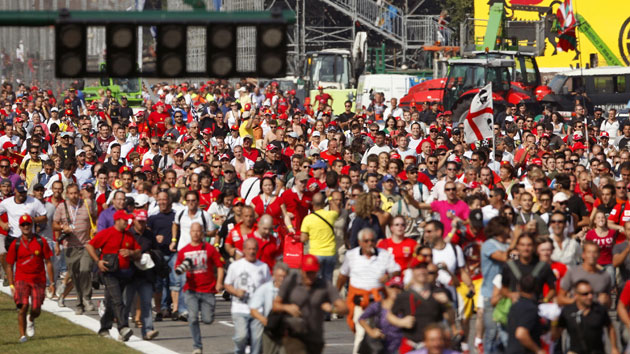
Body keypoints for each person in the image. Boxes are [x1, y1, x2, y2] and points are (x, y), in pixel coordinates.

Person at [337, 227, 400, 354]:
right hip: (359, 301)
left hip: (379, 300)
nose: (369, 243)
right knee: (361, 333)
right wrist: (336, 295)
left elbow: (396, 269)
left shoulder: (384, 254)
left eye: (372, 240)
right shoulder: (351, 255)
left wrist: (388, 276)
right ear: (360, 242)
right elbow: (343, 275)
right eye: (366, 241)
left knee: (381, 332)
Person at [273, 254, 348, 354]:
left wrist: (332, 309)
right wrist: (287, 307)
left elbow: (345, 308)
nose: (310, 276)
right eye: (307, 272)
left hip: (315, 338)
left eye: (313, 272)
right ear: (301, 270)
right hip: (294, 337)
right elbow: (275, 306)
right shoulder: (290, 282)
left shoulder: (324, 285)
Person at [85, 210, 141, 341]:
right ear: (117, 220)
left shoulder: (129, 235)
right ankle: (123, 327)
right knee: (118, 300)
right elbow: (90, 245)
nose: (127, 222)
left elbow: (138, 251)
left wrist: (131, 252)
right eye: (125, 220)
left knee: (110, 302)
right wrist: (97, 261)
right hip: (109, 273)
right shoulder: (107, 233)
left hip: (124, 273)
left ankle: (104, 328)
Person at [387, 254, 456, 353]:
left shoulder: (438, 292)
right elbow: (390, 315)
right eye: (418, 268)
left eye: (424, 267)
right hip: (411, 345)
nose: (422, 271)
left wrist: (447, 304)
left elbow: (451, 319)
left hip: (433, 347)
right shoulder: (405, 295)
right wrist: (401, 322)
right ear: (412, 271)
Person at [176, 222, 225, 354]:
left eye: (199, 231)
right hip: (191, 290)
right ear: (190, 232)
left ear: (202, 232)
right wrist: (183, 268)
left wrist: (219, 282)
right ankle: (197, 346)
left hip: (208, 290)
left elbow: (220, 265)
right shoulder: (184, 251)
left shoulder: (209, 248)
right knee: (192, 318)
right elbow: (177, 268)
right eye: (194, 231)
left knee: (207, 319)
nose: (196, 233)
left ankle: (209, 314)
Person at [6, 214, 55, 343]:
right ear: (20, 227)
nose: (26, 227)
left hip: (38, 279)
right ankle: (22, 335)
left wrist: (52, 282)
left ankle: (31, 319)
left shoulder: (41, 241)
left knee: (36, 308)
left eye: (28, 224)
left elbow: (48, 262)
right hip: (21, 279)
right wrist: (11, 285)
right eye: (23, 225)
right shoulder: (15, 243)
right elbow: (9, 266)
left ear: (32, 225)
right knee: (23, 306)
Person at [52, 183, 96, 315]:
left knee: (85, 269)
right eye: (71, 193)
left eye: (76, 193)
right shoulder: (62, 206)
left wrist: (96, 228)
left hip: (86, 244)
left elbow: (95, 218)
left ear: (79, 193)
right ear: (67, 194)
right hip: (70, 246)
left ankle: (87, 298)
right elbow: (54, 224)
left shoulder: (87, 203)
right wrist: (62, 228)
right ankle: (79, 303)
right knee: (75, 276)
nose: (73, 196)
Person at [224, 238, 271, 354]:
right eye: (249, 249)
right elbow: (227, 284)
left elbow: (268, 289)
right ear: (244, 250)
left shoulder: (263, 267)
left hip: (258, 311)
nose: (251, 251)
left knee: (257, 341)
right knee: (241, 337)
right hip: (239, 308)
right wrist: (236, 292)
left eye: (254, 249)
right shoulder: (235, 266)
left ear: (257, 250)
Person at [553, 280, 618, 354]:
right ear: (576, 295)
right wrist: (554, 321)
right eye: (585, 294)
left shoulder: (599, 310)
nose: (590, 296)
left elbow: (610, 328)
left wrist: (614, 348)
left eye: (591, 293)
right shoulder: (568, 311)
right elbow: (556, 335)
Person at [249, 262, 289, 354]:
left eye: (284, 276)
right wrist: (263, 320)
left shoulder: (292, 289)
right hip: (270, 330)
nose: (282, 279)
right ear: (274, 275)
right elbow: (253, 309)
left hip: (286, 331)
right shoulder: (265, 288)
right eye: (279, 276)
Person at [358, 275, 404, 353]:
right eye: (392, 287)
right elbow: (361, 319)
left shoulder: (406, 306)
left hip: (400, 347)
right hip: (381, 347)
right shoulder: (378, 305)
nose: (395, 290)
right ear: (387, 288)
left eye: (398, 287)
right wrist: (371, 332)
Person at [300, 192, 338, 282]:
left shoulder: (308, 219)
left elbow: (303, 238)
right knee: (328, 280)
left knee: (316, 280)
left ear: (312, 204)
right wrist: (330, 198)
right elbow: (337, 211)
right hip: (330, 252)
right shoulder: (330, 215)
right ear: (324, 204)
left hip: (315, 253)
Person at [505, 275, 546, 354]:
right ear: (536, 288)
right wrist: (538, 350)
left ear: (519, 287)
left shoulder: (514, 306)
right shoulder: (530, 308)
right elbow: (521, 334)